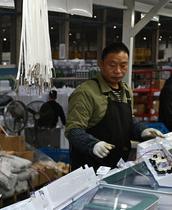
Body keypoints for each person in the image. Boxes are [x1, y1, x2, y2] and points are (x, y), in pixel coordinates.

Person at [65, 42, 164, 170]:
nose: (118, 71)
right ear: (101, 64)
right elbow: (73, 131)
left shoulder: (126, 91)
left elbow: (127, 122)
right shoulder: (86, 93)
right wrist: (93, 145)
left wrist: (142, 131)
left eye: (123, 66)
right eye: (112, 65)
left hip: (117, 167)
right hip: (90, 170)